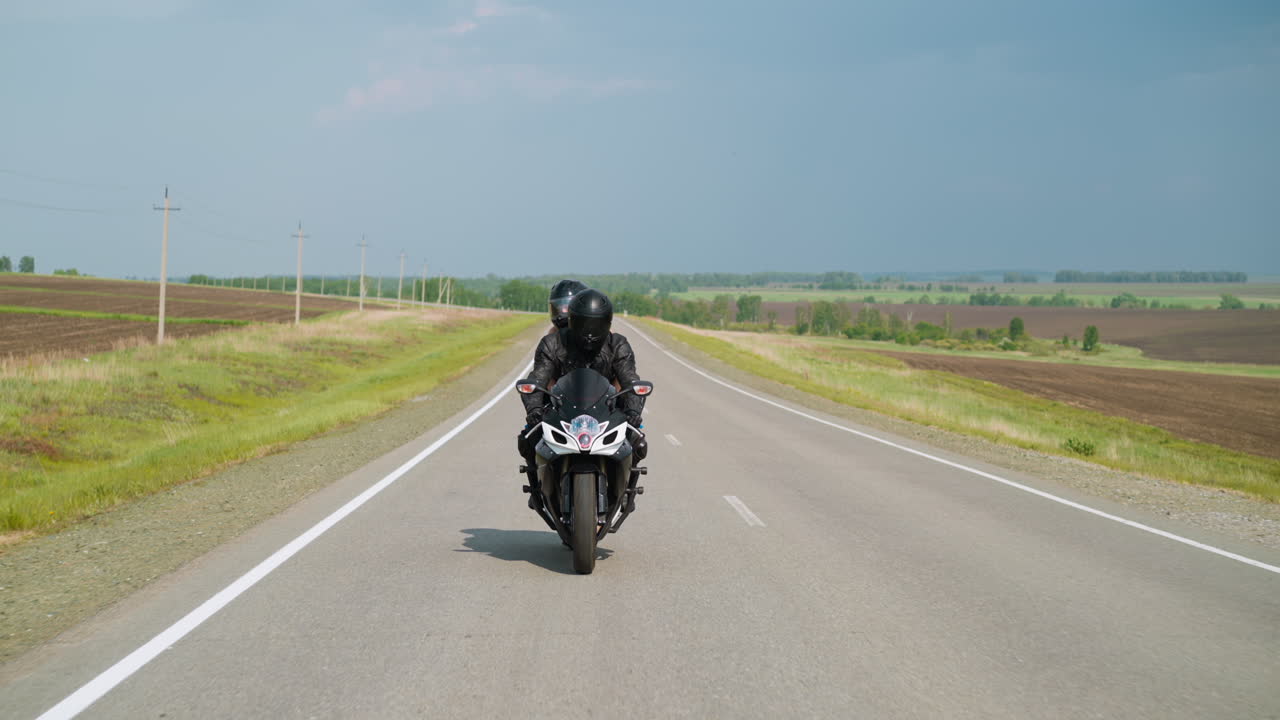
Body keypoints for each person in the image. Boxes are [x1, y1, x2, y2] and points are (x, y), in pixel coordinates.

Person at [517, 289, 648, 506]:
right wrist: (534, 410)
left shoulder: (618, 344)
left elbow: (630, 380)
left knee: (638, 441)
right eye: (584, 324)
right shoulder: (552, 343)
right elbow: (538, 379)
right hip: (561, 406)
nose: (589, 332)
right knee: (528, 438)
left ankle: (625, 491)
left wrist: (633, 411)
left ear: (607, 323)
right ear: (572, 320)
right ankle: (537, 489)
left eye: (595, 325)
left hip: (607, 407)